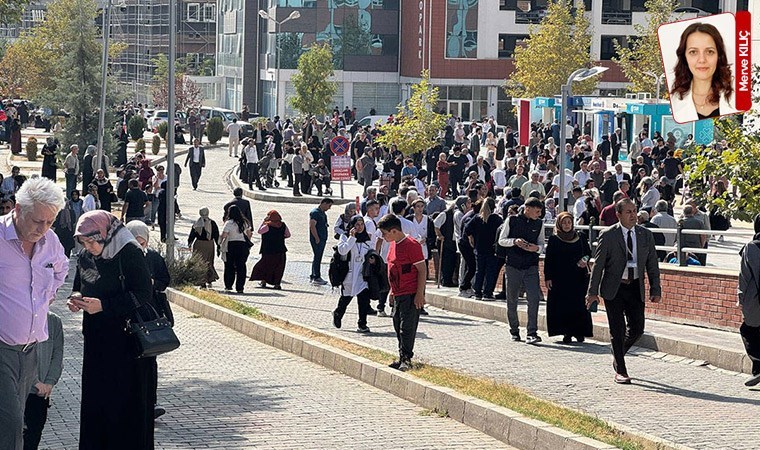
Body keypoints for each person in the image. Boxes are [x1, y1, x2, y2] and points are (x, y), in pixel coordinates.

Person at [68, 210, 155, 449]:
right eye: (83, 241)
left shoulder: (128, 252)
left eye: (93, 240)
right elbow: (80, 285)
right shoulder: (86, 255)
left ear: (107, 234)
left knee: (125, 406)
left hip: (126, 343)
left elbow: (143, 294)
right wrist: (76, 299)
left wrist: (105, 306)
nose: (89, 246)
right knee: (97, 403)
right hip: (97, 341)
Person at [0, 178, 67, 450]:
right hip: (1, 349)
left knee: (18, 423)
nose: (44, 229)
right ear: (18, 208)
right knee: (11, 424)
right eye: (38, 221)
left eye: (50, 222)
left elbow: (61, 270)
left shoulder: (50, 241)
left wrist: (48, 294)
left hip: (30, 353)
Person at [586, 198, 661, 384]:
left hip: (636, 286)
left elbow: (652, 263)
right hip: (615, 287)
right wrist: (592, 292)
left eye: (635, 211)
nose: (633, 215)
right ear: (618, 215)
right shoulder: (609, 235)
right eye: (628, 212)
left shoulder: (645, 235)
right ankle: (621, 368)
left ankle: (617, 352)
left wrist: (655, 287)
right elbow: (599, 265)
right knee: (617, 329)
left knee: (637, 328)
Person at [125, 220, 173, 420]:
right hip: (128, 318)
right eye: (135, 240)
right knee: (129, 363)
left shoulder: (153, 257)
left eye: (142, 241)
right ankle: (129, 403)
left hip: (150, 318)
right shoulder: (122, 257)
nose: (139, 245)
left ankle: (150, 403)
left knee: (150, 362)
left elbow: (165, 280)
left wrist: (152, 283)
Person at [378, 214, 427, 372]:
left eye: (385, 233)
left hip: (410, 292)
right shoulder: (393, 244)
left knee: (407, 327)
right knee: (397, 323)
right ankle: (401, 357)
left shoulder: (412, 245)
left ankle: (406, 358)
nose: (383, 236)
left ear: (394, 231)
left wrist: (420, 294)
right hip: (398, 292)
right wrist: (392, 291)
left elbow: (422, 270)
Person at [498, 197, 545, 344]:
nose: (539, 214)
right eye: (536, 211)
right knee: (512, 299)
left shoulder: (539, 223)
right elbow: (501, 240)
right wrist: (515, 241)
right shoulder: (512, 220)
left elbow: (542, 244)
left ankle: (532, 332)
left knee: (534, 298)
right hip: (513, 265)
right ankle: (514, 330)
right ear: (527, 208)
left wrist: (536, 248)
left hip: (531, 265)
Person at [669, 22, 738, 122]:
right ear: (684, 57)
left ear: (719, 56)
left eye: (709, 52)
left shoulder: (738, 97)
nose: (702, 60)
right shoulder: (674, 101)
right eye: (693, 52)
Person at [544, 212, 593, 343]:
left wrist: (584, 260)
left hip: (578, 278)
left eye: (569, 222)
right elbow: (549, 259)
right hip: (560, 279)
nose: (567, 225)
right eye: (564, 223)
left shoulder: (580, 237)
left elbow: (588, 253)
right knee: (563, 306)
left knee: (578, 305)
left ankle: (579, 332)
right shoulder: (554, 239)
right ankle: (567, 333)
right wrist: (548, 277)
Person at [23, 312, 63, 450]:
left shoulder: (54, 321)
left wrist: (49, 382)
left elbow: (57, 356)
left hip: (41, 392)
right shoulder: (17, 317)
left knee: (34, 434)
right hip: (19, 390)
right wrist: (34, 381)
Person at [333, 216, 375, 333]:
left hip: (362, 274)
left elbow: (371, 251)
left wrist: (373, 259)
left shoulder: (367, 238)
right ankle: (338, 313)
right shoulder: (345, 236)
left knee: (363, 299)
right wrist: (352, 238)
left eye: (362, 224)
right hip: (349, 274)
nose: (359, 227)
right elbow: (342, 251)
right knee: (346, 298)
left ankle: (362, 324)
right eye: (357, 224)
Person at [465, 197, 503, 300]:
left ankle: (478, 292)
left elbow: (467, 228)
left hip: (479, 248)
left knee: (480, 270)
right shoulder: (497, 219)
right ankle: (488, 292)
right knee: (490, 271)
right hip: (492, 249)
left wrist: (471, 238)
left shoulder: (477, 218)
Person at [738, 214, 760, 387]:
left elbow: (744, 277)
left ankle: (758, 367)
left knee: (748, 330)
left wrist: (741, 299)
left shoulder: (751, 247)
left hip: (755, 299)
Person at [250, 210, 290, 290]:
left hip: (268, 250)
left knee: (265, 266)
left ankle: (263, 281)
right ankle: (277, 284)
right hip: (280, 250)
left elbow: (259, 231)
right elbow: (288, 235)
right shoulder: (283, 225)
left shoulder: (267, 226)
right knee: (279, 268)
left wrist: (264, 221)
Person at [219, 205, 252, 293]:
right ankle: (240, 287)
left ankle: (228, 285)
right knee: (241, 266)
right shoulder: (245, 222)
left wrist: (220, 242)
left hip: (231, 245)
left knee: (229, 266)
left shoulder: (229, 223)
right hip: (243, 246)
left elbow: (224, 235)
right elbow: (249, 233)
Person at [187, 207, 220, 289]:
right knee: (209, 262)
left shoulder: (197, 223)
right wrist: (218, 245)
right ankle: (209, 279)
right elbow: (216, 235)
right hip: (209, 244)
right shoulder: (212, 223)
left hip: (199, 244)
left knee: (199, 262)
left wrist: (189, 243)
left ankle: (202, 282)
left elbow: (192, 235)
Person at [309, 197, 333, 285]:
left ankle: (314, 274)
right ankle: (316, 276)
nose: (329, 208)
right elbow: (312, 225)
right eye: (329, 205)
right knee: (317, 257)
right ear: (324, 203)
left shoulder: (323, 213)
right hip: (318, 239)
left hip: (322, 238)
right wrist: (316, 238)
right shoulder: (315, 213)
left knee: (318, 257)